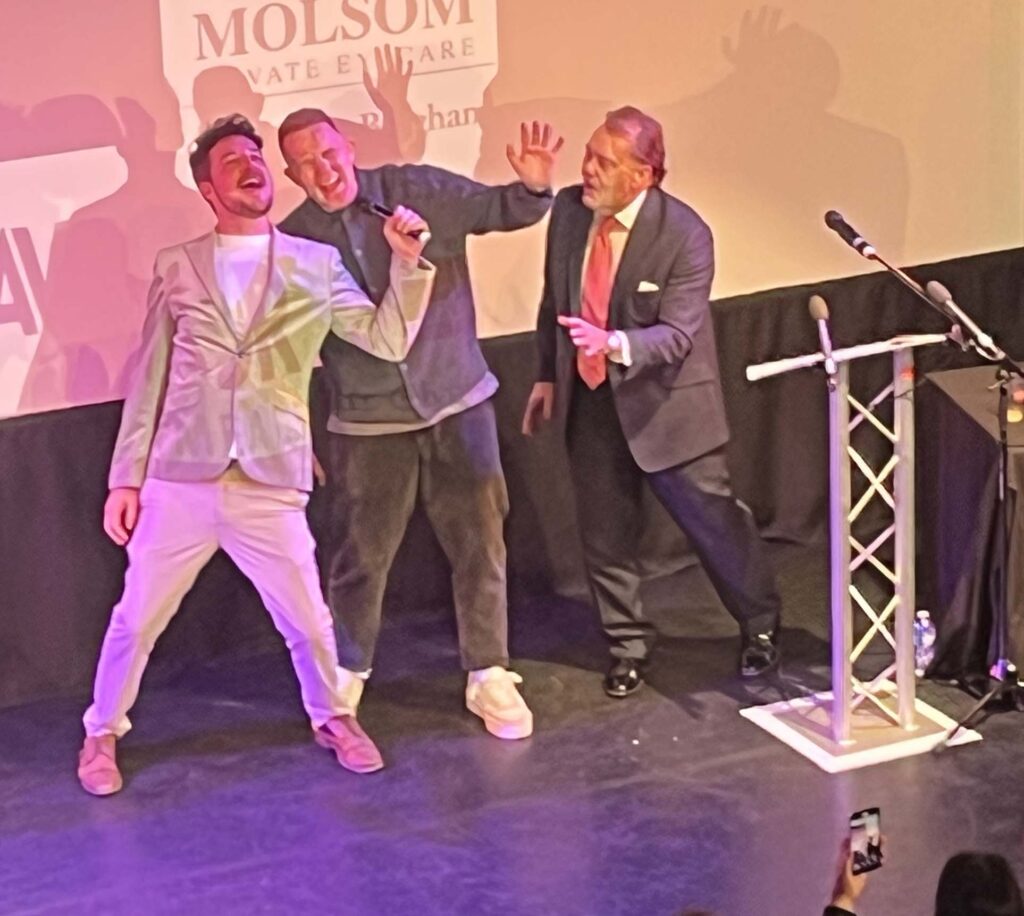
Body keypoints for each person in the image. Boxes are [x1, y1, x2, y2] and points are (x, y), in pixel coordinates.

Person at [76, 115, 435, 795]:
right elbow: (149, 376)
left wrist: (406, 265)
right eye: (232, 161)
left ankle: (333, 717)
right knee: (136, 618)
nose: (251, 166)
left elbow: (387, 340)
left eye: (255, 156)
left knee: (308, 619)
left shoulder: (314, 263)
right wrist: (126, 477)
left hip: (270, 475)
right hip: (181, 476)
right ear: (209, 189)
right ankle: (101, 732)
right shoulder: (177, 265)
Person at [277, 108, 563, 741]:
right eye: (305, 164)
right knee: (361, 552)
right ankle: (348, 667)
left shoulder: (417, 189)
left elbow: (501, 209)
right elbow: (289, 349)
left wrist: (535, 186)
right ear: (292, 175)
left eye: (328, 153)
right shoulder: (293, 243)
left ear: (349, 146)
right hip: (367, 420)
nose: (323, 170)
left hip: (457, 397)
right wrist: (295, 427)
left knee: (480, 540)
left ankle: (488, 671)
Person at [522, 106, 782, 698]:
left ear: (641, 175)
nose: (587, 170)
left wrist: (613, 343)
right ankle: (628, 645)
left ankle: (761, 624)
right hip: (592, 399)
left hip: (668, 408)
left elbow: (678, 336)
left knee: (714, 525)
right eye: (588, 155)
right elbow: (554, 301)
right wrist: (545, 376)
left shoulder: (685, 234)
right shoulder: (569, 211)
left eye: (603, 162)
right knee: (604, 534)